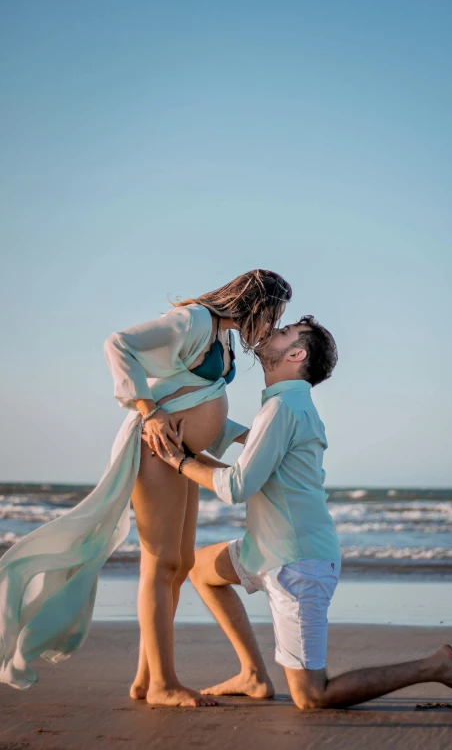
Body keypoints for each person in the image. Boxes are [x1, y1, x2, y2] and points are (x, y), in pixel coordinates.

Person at [154, 316, 452, 710]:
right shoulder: (284, 406)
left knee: (312, 696)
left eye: (284, 332)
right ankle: (253, 675)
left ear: (296, 354)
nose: (272, 331)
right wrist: (193, 429)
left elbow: (237, 486)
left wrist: (179, 460)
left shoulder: (284, 408)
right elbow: (256, 452)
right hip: (267, 550)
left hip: (297, 565)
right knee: (201, 570)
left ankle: (436, 666)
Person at [0, 269, 291, 708]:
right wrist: (148, 410)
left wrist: (242, 435)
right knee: (162, 563)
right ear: (254, 303)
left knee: (183, 562)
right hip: (157, 451)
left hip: (182, 457)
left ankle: (145, 679)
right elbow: (118, 344)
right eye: (272, 314)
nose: (271, 326)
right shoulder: (194, 320)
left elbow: (194, 397)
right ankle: (163, 684)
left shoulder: (223, 337)